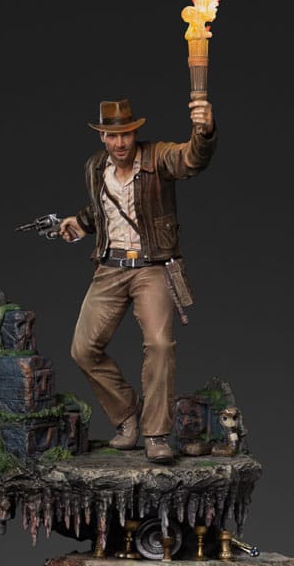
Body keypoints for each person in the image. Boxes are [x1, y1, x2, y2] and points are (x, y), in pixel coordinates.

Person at [58, 96, 217, 463]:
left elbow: (192, 158)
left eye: (126, 134)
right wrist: (79, 223)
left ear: (135, 133)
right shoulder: (95, 167)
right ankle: (127, 415)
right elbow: (101, 207)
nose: (120, 143)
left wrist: (204, 131)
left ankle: (156, 433)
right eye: (113, 136)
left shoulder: (158, 158)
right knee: (83, 349)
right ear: (102, 136)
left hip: (151, 265)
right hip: (110, 267)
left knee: (160, 345)